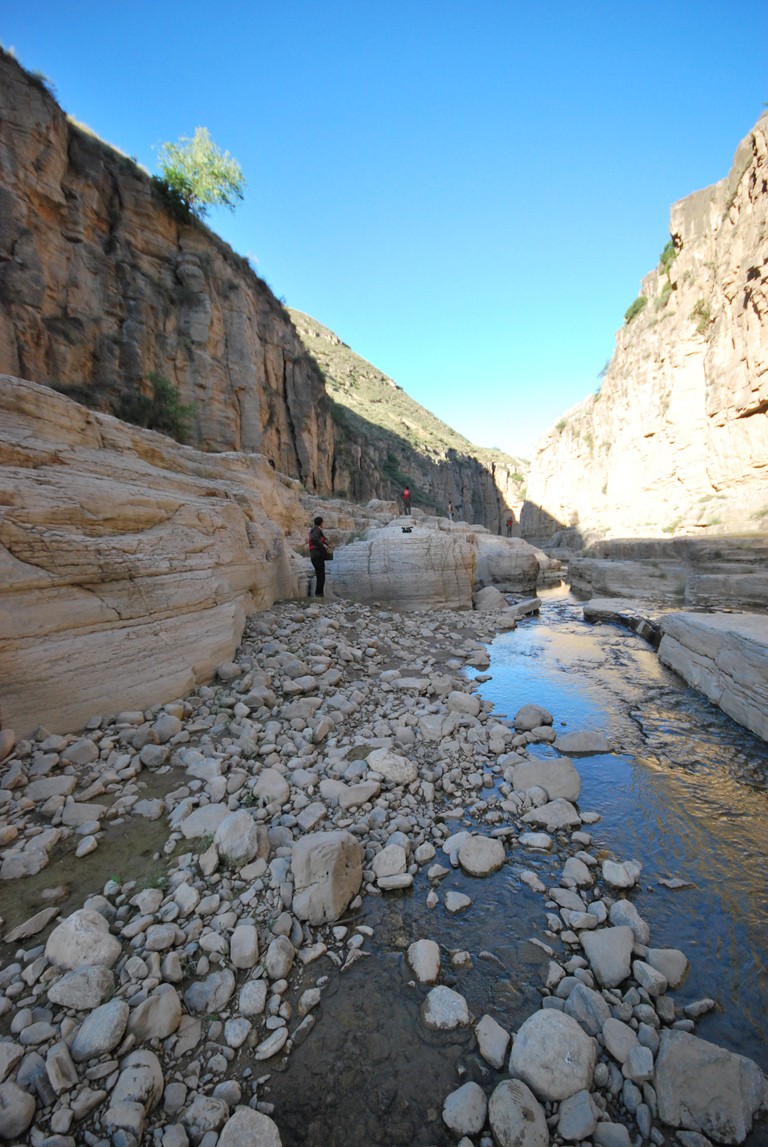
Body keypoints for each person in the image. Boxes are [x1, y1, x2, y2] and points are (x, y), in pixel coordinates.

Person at [308, 515, 331, 597]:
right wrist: (323, 545)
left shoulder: (314, 530)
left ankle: (319, 594)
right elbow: (315, 539)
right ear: (321, 523)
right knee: (321, 576)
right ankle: (319, 594)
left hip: (315, 555)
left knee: (320, 575)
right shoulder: (316, 530)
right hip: (317, 555)